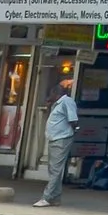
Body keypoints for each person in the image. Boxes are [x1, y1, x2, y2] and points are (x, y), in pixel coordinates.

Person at [34, 69, 80, 207]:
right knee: (53, 168)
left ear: (56, 93)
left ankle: (47, 197)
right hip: (55, 138)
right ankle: (55, 197)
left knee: (55, 170)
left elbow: (73, 120)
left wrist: (72, 131)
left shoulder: (66, 102)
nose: (49, 96)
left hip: (62, 138)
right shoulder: (56, 104)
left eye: (51, 94)